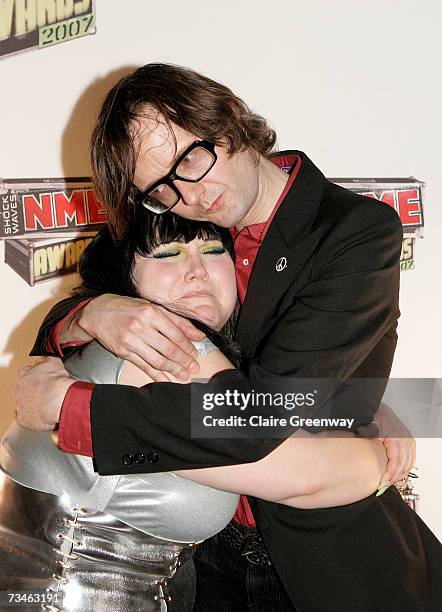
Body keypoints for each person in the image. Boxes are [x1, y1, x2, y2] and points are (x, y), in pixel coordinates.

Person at [14, 64, 442, 610]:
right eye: (161, 190)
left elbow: (262, 412)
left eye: (189, 160)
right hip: (204, 559)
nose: (188, 195)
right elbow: (110, 274)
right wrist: (88, 314)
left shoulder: (355, 233)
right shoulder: (199, 224)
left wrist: (74, 412)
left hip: (326, 560)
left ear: (229, 121)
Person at [2, 217, 391, 612]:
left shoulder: (164, 351)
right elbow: (303, 476)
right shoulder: (163, 353)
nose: (197, 270)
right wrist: (383, 453)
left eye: (213, 250)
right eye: (168, 254)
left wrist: (376, 410)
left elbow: (269, 406)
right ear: (123, 279)